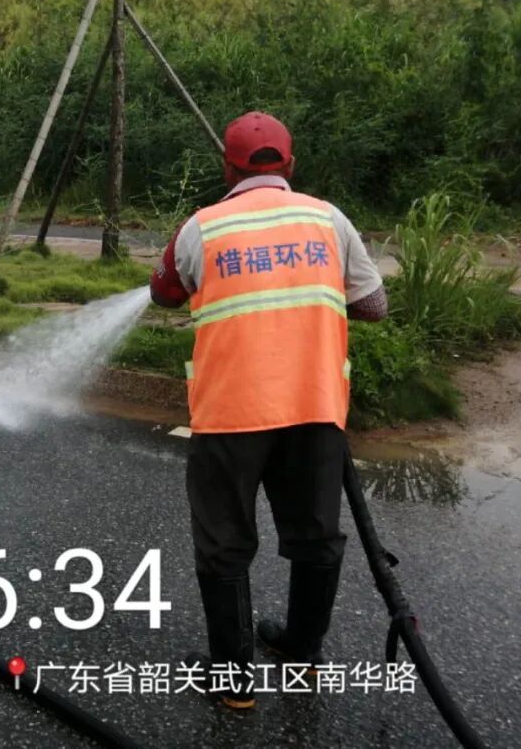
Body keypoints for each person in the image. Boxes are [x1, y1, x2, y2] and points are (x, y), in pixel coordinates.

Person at [150, 112, 388, 709]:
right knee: (315, 536)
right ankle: (302, 655)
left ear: (227, 168)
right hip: (314, 406)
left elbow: (163, 292)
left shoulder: (202, 227)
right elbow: (375, 305)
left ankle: (233, 682)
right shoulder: (328, 219)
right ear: (291, 165)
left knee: (225, 541)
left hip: (231, 413)